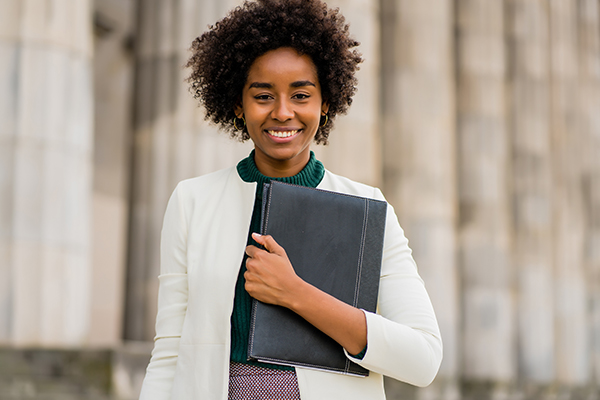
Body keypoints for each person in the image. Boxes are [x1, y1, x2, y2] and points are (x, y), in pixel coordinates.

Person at [139, 0, 442, 399]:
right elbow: (171, 350)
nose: (283, 112)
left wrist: (294, 293)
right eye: (263, 96)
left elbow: (423, 358)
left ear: (326, 103)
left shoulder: (367, 209)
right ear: (237, 104)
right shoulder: (192, 200)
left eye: (301, 95)